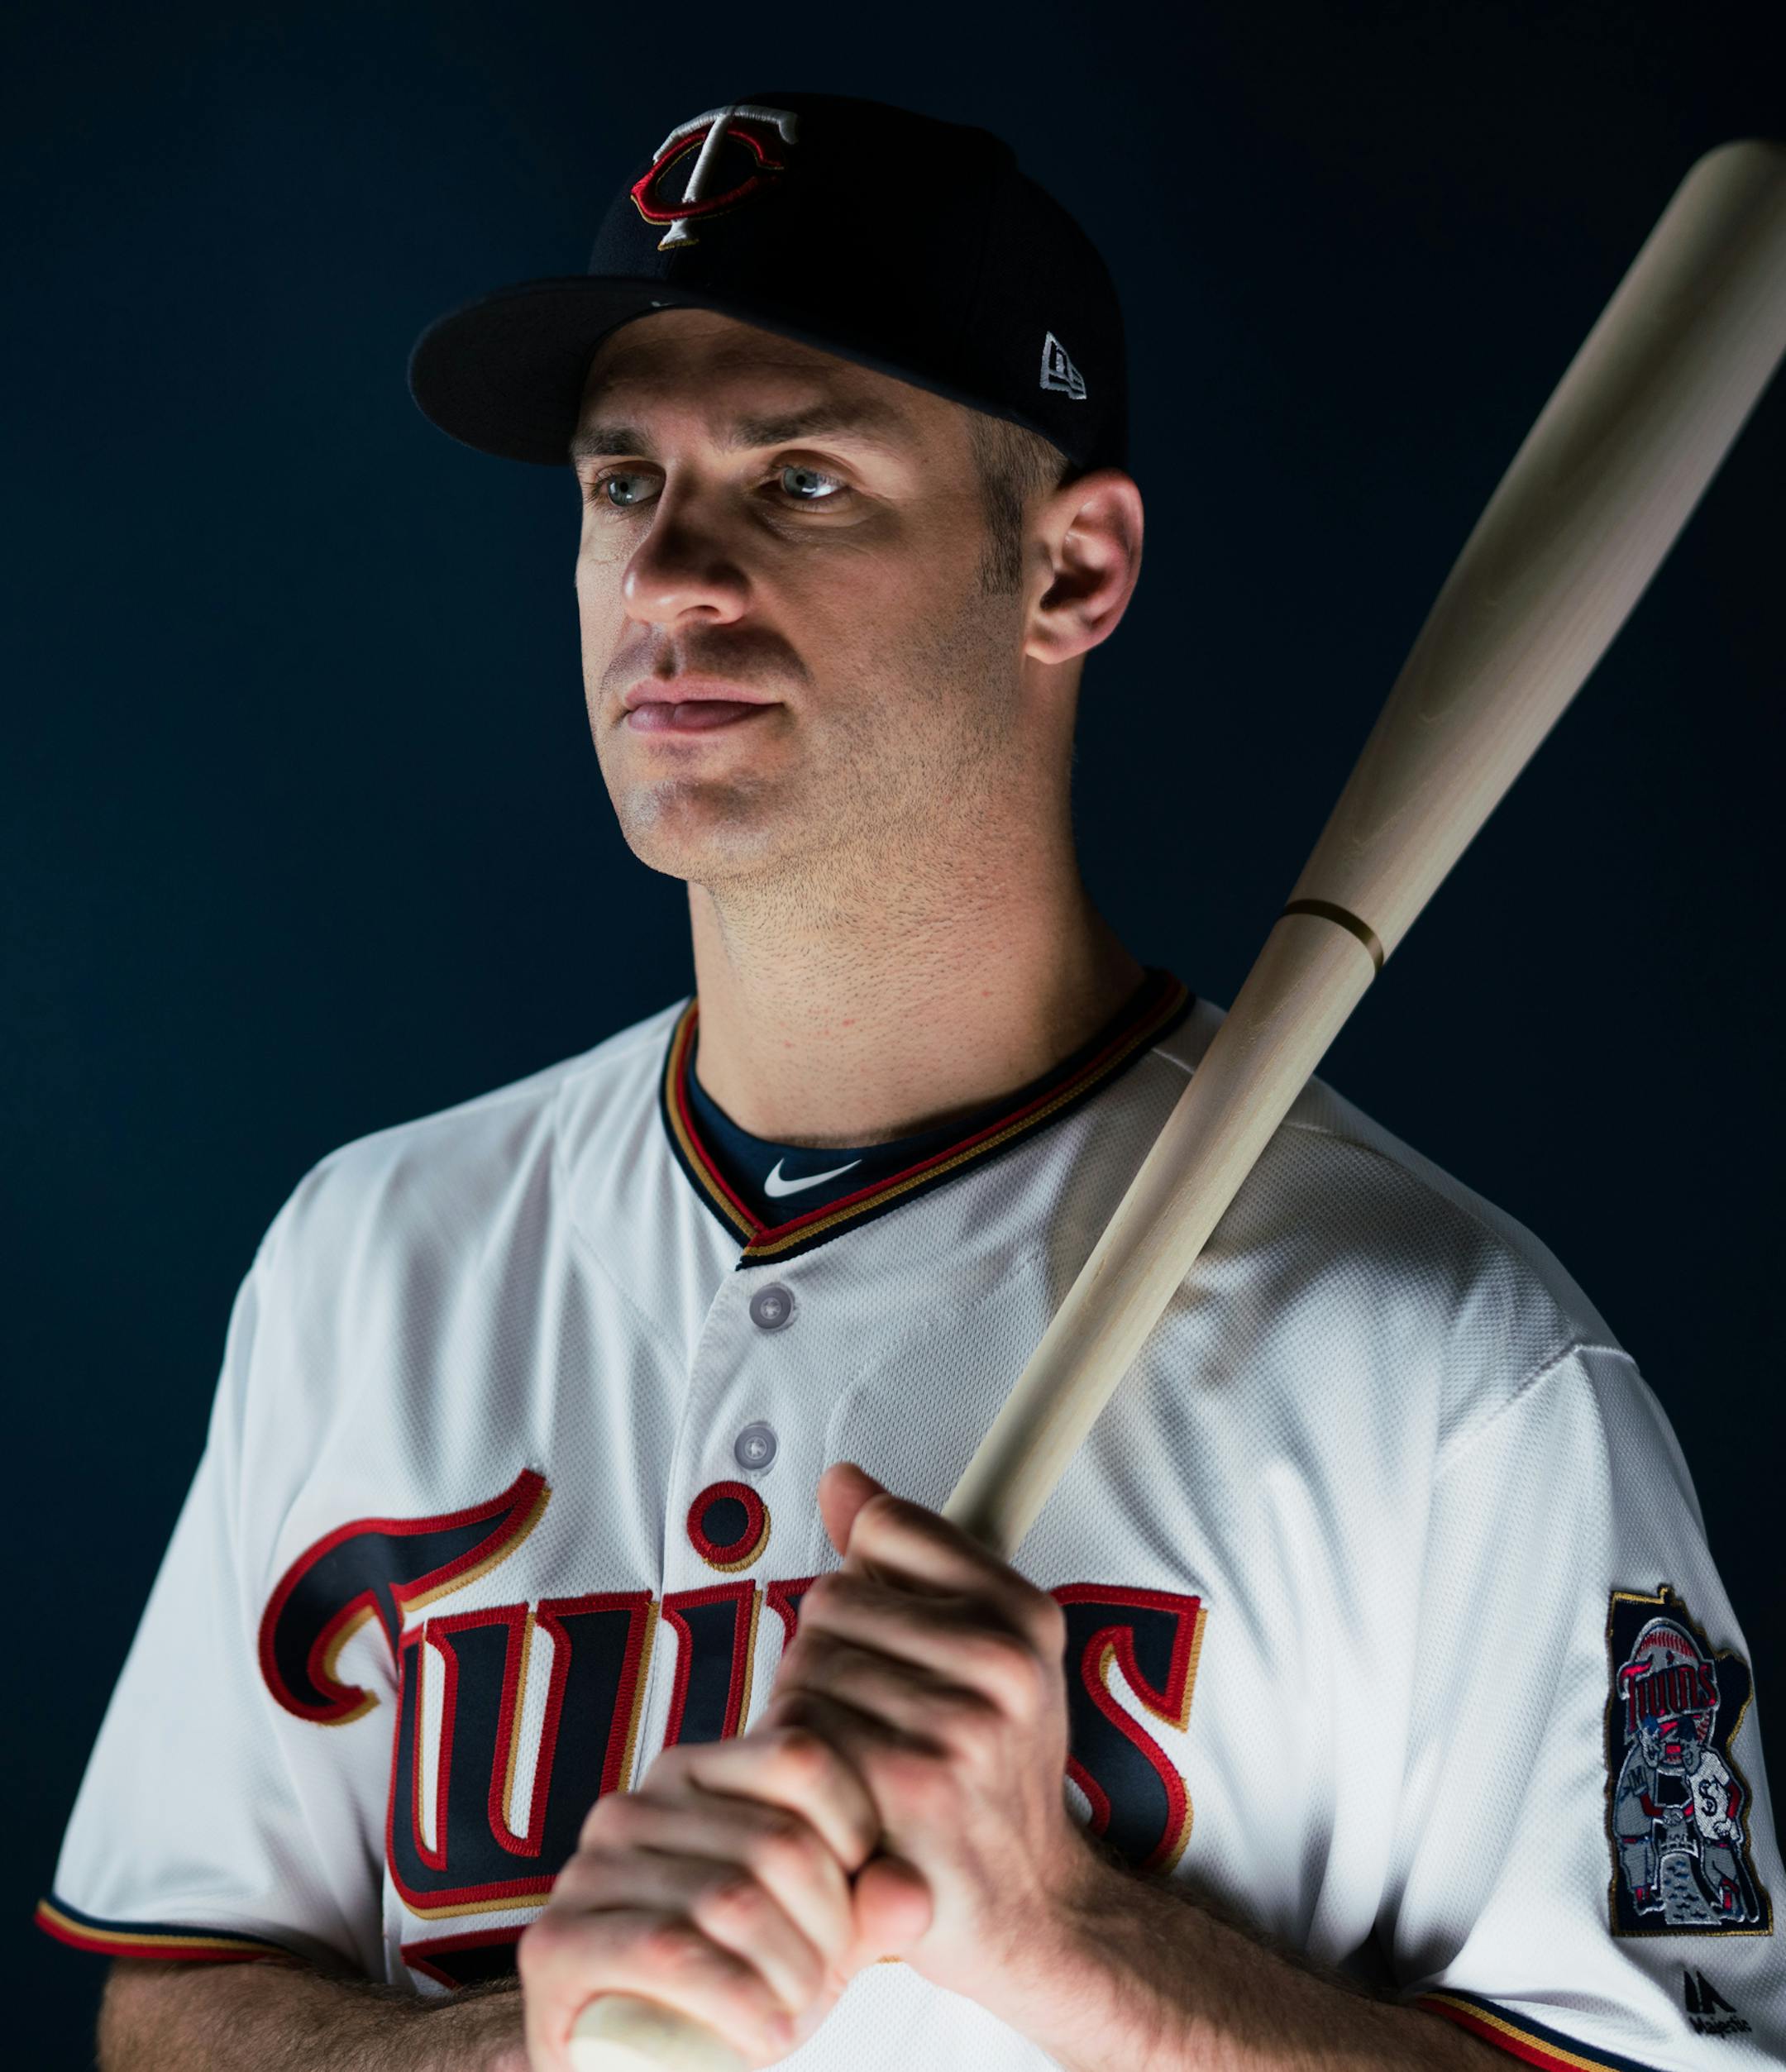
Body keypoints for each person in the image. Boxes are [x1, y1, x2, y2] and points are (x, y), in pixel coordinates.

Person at [39, 92, 1779, 2072]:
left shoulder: (1466, 1374)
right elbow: (174, 2011)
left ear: (1070, 570)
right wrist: (523, 2050)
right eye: (623, 481)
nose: (670, 572)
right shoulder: (376, 1261)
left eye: (800, 482)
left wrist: (1065, 1936)